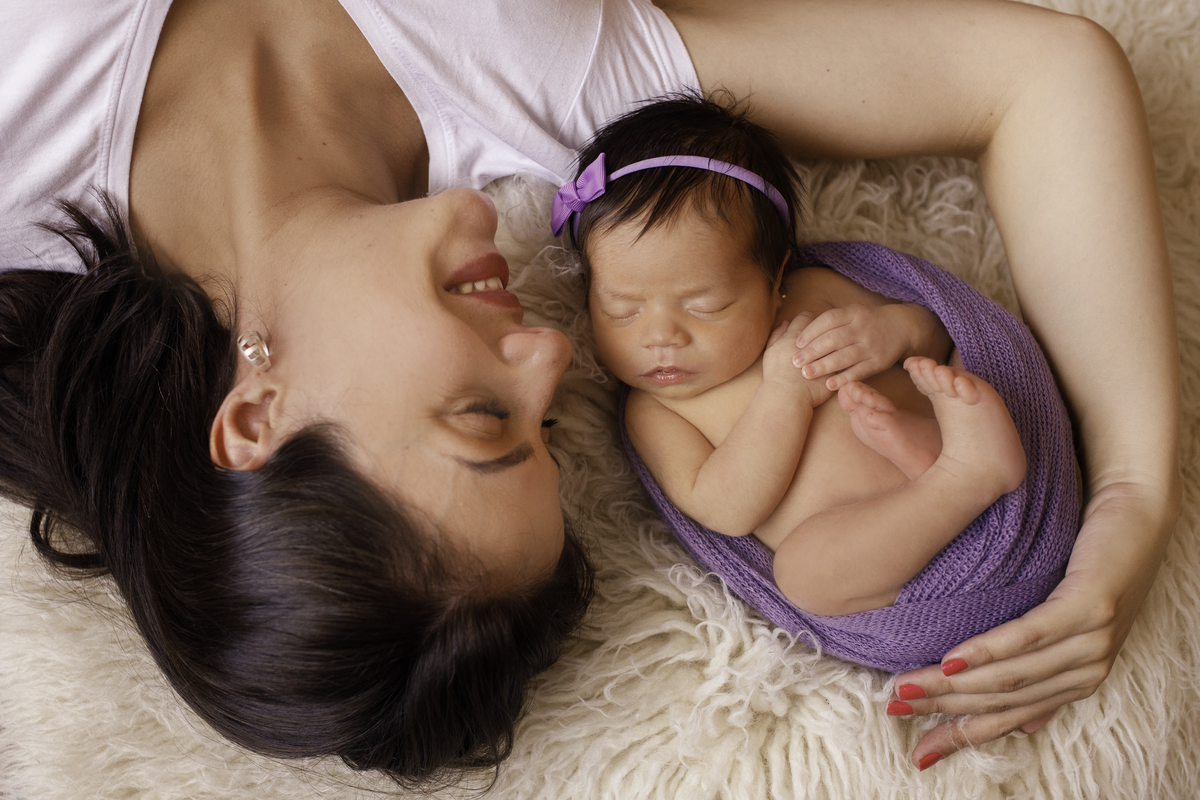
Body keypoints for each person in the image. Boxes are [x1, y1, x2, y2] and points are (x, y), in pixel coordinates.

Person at [0, 0, 1179, 779]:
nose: (555, 354)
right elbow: (1041, 73)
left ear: (255, 417)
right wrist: (1128, 491)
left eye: (479, 417)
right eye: (544, 424)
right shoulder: (550, 90)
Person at [557, 93, 1038, 628]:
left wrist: (896, 329)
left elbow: (942, 337)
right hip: (870, 542)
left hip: (946, 450)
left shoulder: (816, 293)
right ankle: (960, 479)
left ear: (774, 279)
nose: (660, 336)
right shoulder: (655, 410)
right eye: (620, 310)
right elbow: (725, 508)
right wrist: (783, 395)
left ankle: (940, 459)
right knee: (804, 573)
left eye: (705, 305)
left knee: (956, 391)